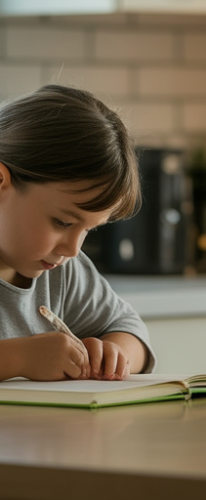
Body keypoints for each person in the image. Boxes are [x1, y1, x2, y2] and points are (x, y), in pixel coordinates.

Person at [0, 84, 155, 382]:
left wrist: (112, 354)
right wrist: (19, 358)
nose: (73, 250)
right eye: (63, 222)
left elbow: (129, 327)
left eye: (89, 230)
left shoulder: (61, 272)